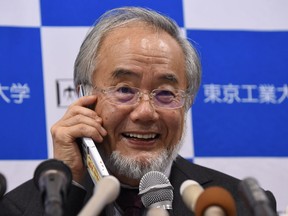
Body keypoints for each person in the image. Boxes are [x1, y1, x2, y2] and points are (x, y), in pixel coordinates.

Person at [0, 6, 276, 216]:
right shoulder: (19, 207)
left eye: (166, 93)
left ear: (188, 102)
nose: (145, 112)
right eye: (124, 90)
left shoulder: (238, 204)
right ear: (84, 95)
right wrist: (68, 180)